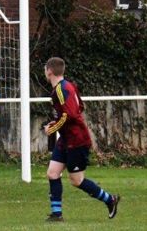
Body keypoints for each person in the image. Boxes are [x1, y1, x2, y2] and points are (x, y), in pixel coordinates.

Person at [41, 57, 120, 221]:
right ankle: (57, 214)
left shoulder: (61, 90)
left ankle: (109, 199)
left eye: (45, 69)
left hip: (77, 140)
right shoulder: (67, 86)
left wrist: (53, 128)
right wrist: (56, 124)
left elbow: (68, 114)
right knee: (53, 173)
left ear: (49, 71)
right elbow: (79, 108)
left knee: (77, 180)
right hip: (65, 139)